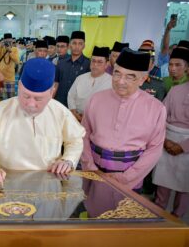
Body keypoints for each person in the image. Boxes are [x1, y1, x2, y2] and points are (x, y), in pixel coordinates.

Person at [0, 58, 85, 186]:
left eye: (38, 99)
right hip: (6, 185)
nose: (30, 104)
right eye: (26, 96)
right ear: (19, 86)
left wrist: (68, 160)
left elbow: (75, 140)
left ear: (52, 92)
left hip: (47, 187)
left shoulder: (60, 112)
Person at [81, 48, 166, 191]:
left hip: (131, 177)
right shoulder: (96, 99)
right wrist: (89, 166)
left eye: (129, 76)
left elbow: (154, 149)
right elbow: (84, 134)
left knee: (122, 212)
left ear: (142, 79)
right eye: (117, 73)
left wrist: (128, 177)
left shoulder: (156, 109)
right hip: (94, 170)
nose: (120, 81)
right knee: (92, 209)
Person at [152, 60, 189, 218]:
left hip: (186, 146)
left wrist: (184, 146)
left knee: (185, 189)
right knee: (162, 186)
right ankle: (156, 219)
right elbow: (161, 117)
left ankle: (176, 222)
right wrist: (165, 139)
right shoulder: (175, 90)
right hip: (167, 139)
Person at [67, 46, 112, 122]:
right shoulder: (80, 78)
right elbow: (71, 96)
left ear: (106, 64)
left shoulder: (112, 82)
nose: (95, 64)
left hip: (98, 121)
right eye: (93, 61)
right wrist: (74, 112)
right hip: (76, 118)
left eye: (99, 62)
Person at [54, 31, 90, 107]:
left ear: (84, 46)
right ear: (70, 45)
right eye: (74, 43)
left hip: (77, 106)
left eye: (80, 44)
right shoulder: (61, 63)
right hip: (59, 103)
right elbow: (56, 83)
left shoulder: (88, 64)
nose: (77, 47)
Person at [0, 33, 19, 99]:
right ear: (4, 41)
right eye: (6, 41)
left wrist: (10, 51)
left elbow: (17, 60)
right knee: (1, 99)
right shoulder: (0, 48)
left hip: (10, 78)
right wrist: (0, 47)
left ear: (12, 41)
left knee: (11, 99)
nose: (8, 43)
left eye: (9, 41)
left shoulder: (15, 49)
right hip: (0, 78)